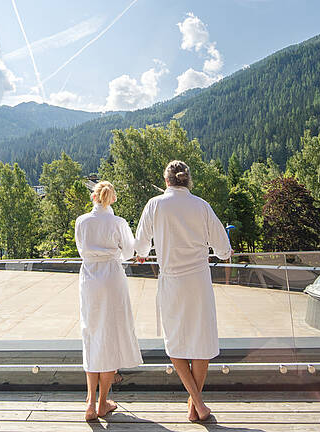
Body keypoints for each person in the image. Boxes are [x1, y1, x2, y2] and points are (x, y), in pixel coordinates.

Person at [134, 160, 232, 422]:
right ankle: (196, 405)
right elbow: (223, 249)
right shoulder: (202, 206)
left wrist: (143, 255)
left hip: (172, 282)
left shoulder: (154, 205)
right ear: (187, 180)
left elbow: (141, 245)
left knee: (175, 343)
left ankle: (196, 403)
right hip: (199, 282)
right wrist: (224, 252)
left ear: (166, 181)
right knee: (201, 343)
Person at [75, 180, 142, 421]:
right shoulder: (118, 223)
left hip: (90, 279)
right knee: (110, 336)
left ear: (94, 197)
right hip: (112, 277)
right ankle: (103, 403)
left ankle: (90, 403)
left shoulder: (81, 222)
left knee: (91, 334)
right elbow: (128, 253)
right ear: (111, 198)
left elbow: (81, 249)